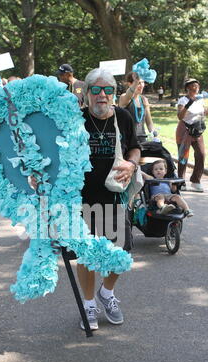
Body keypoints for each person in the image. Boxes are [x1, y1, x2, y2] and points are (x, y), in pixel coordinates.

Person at [78, 68, 141, 331]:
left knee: (120, 254)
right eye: (96, 89)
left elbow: (135, 148)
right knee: (85, 254)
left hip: (115, 197)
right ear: (86, 93)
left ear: (114, 94)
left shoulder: (124, 117)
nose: (102, 95)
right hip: (81, 199)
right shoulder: (75, 119)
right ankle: (89, 302)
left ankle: (107, 292)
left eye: (108, 90)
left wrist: (132, 164)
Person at [176, 78, 208, 192]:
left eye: (197, 86)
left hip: (197, 131)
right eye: (193, 86)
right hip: (184, 130)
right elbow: (180, 116)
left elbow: (201, 114)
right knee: (183, 157)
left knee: (201, 154)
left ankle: (196, 181)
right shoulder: (182, 100)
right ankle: (181, 182)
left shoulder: (199, 100)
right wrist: (188, 105)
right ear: (188, 88)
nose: (196, 88)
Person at [119, 71, 155, 143]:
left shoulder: (144, 100)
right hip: (127, 140)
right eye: (139, 83)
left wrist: (154, 134)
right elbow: (128, 95)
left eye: (143, 82)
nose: (142, 85)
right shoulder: (124, 97)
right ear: (130, 84)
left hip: (142, 139)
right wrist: (135, 82)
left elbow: (149, 122)